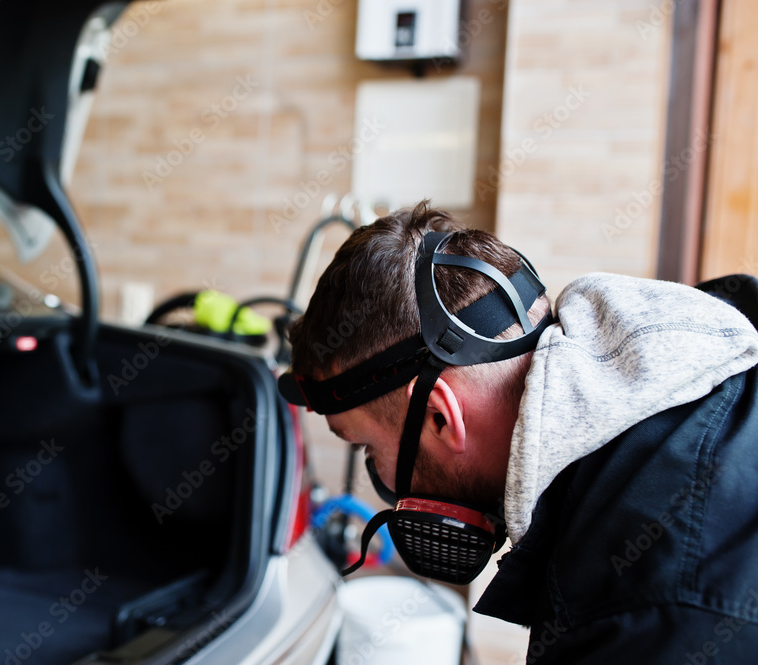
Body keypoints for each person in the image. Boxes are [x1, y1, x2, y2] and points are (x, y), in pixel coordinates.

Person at [278, 199, 758, 662]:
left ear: (441, 418)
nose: (377, 475)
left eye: (366, 446)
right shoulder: (707, 371)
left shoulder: (641, 615)